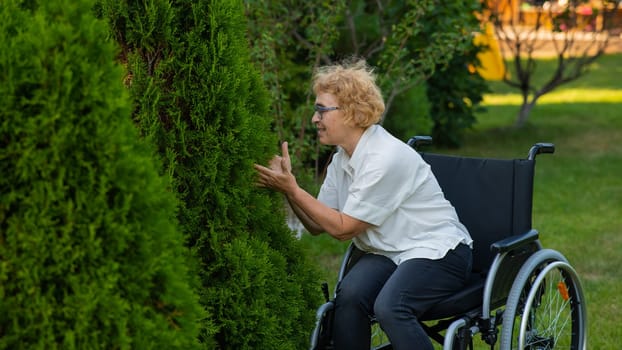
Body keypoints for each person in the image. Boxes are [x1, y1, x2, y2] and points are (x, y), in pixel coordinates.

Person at [254, 59, 473, 350]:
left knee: (390, 307)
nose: (315, 119)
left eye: (322, 110)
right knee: (349, 297)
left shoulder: (385, 158)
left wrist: (292, 189)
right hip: (388, 251)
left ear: (352, 113)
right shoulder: (342, 158)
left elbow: (343, 229)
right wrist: (289, 187)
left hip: (438, 251)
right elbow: (318, 225)